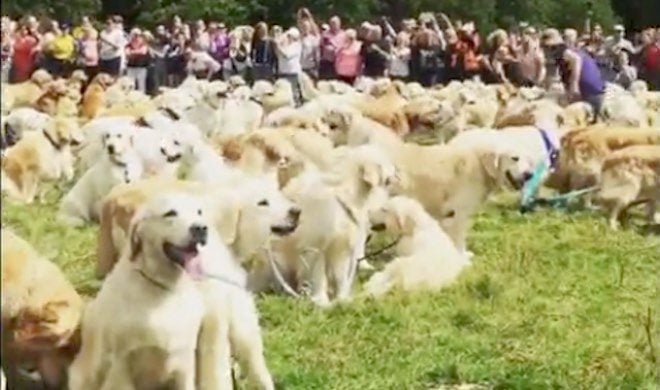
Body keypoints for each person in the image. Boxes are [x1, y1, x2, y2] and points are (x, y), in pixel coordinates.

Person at [541, 28, 605, 122]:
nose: (549, 50)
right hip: (596, 92)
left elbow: (576, 60)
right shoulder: (573, 51)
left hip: (586, 91)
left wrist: (574, 85)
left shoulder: (562, 51)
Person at [274, 27, 303, 106]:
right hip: (282, 72)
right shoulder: (284, 46)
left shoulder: (297, 45)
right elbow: (278, 54)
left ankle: (297, 108)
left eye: (289, 36)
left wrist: (277, 45)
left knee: (294, 93)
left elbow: (287, 55)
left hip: (292, 73)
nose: (288, 37)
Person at [319, 16, 346, 80]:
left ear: (339, 24)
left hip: (339, 63)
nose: (333, 25)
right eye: (332, 23)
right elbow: (321, 45)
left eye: (335, 23)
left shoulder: (344, 35)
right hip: (327, 62)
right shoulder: (325, 34)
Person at [125, 28, 151, 92]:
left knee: (141, 86)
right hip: (131, 67)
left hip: (141, 67)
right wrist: (137, 52)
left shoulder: (144, 44)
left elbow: (143, 52)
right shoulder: (128, 45)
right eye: (134, 35)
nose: (136, 37)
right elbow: (127, 53)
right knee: (130, 85)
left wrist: (132, 52)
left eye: (138, 35)